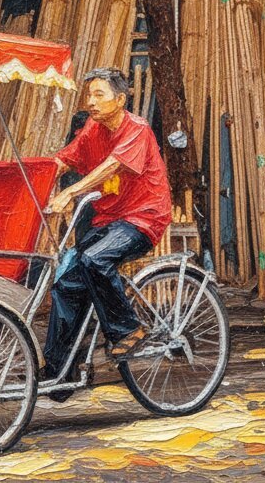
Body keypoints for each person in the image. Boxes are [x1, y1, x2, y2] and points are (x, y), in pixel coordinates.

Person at [42, 68, 173, 380]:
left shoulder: (137, 129)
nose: (91, 101)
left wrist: (71, 191)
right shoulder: (93, 128)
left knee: (93, 259)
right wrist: (36, 177)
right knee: (65, 284)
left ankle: (129, 330)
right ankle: (60, 373)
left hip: (143, 218)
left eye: (99, 94)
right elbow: (64, 160)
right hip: (108, 221)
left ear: (121, 99)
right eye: (89, 95)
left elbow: (112, 165)